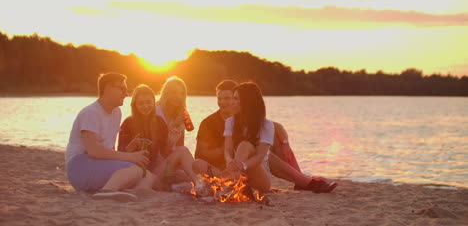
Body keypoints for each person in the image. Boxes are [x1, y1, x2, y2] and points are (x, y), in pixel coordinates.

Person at [193, 80, 337, 193]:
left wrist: (285, 143)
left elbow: (275, 130)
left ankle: (303, 181)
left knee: (256, 146)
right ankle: (306, 181)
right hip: (229, 165)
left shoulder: (259, 122)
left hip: (252, 167)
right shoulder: (215, 123)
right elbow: (205, 152)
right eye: (220, 98)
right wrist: (231, 160)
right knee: (248, 147)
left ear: (245, 101)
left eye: (231, 98)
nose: (225, 102)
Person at [65, 73, 150, 202]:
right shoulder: (91, 113)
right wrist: (130, 157)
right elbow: (94, 151)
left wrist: (127, 151)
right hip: (79, 167)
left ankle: (117, 190)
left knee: (147, 175)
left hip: (96, 164)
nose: (126, 93)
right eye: (122, 89)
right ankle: (107, 191)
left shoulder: (116, 112)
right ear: (108, 89)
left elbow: (109, 151)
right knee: (135, 169)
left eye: (126, 90)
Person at [118, 84, 204, 192]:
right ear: (134, 105)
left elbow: (164, 154)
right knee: (171, 178)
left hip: (156, 170)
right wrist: (130, 148)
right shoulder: (128, 123)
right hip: (136, 171)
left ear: (153, 103)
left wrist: (171, 142)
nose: (145, 106)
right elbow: (120, 155)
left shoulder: (159, 121)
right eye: (141, 103)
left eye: (148, 102)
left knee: (182, 151)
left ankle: (199, 183)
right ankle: (162, 186)